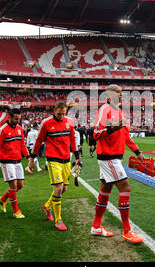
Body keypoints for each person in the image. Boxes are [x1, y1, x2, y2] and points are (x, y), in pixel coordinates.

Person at [90, 84, 146, 244]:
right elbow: (95, 134)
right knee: (125, 187)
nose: (121, 95)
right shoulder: (104, 110)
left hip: (116, 157)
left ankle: (96, 226)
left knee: (105, 190)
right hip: (108, 157)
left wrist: (138, 152)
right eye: (117, 92)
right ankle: (127, 230)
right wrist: (111, 128)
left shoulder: (120, 112)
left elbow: (126, 137)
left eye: (121, 92)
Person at [29, 102, 81, 231]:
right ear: (54, 110)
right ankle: (58, 220)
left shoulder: (69, 122)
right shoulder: (46, 123)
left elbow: (73, 139)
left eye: (64, 113)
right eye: (59, 113)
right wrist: (32, 158)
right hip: (53, 159)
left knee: (64, 189)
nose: (61, 116)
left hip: (66, 159)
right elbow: (39, 141)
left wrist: (77, 156)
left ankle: (47, 206)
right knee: (58, 188)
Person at [0, 107, 32, 219]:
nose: (17, 121)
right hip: (7, 162)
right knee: (13, 186)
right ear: (9, 117)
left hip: (17, 161)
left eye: (19, 119)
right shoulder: (2, 130)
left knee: (20, 185)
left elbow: (22, 145)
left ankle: (2, 199)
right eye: (15, 119)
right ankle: (16, 211)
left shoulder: (20, 129)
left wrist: (28, 157)